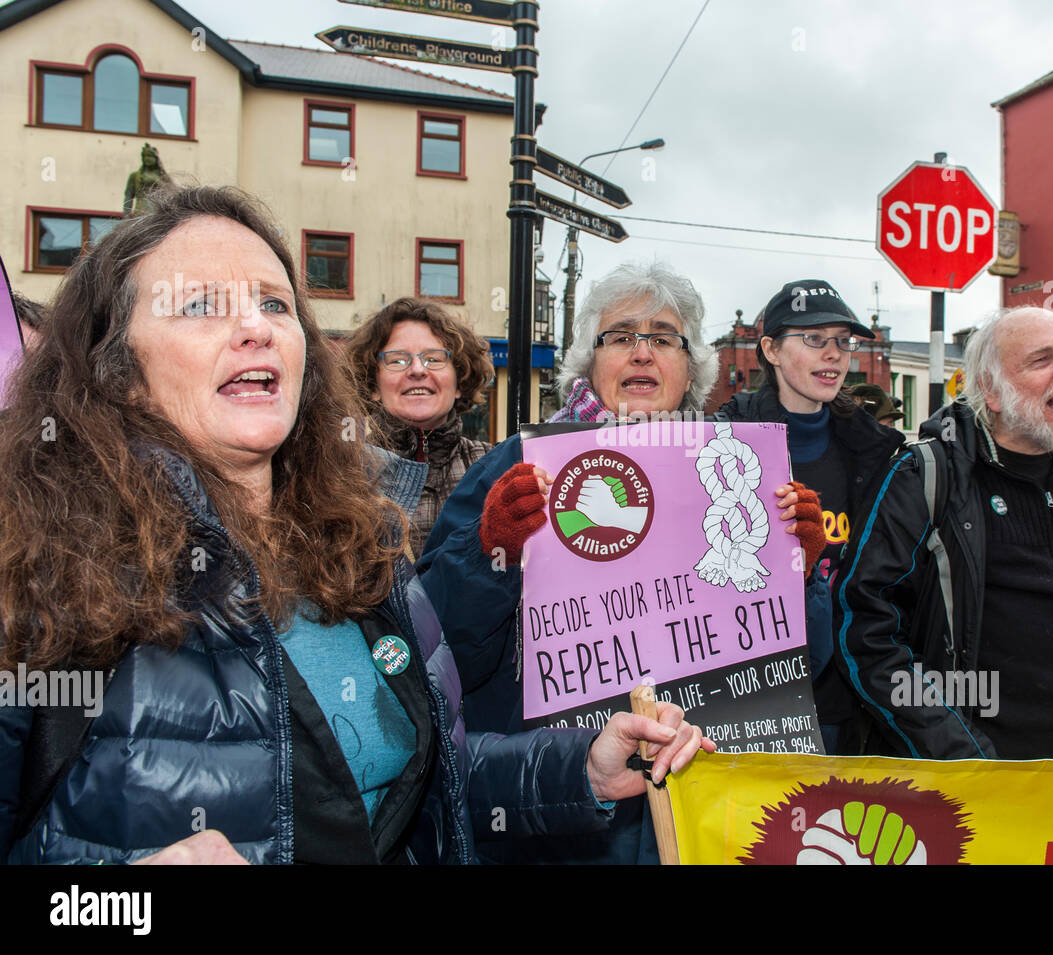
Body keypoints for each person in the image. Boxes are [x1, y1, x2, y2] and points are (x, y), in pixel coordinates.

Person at [0, 186, 710, 865]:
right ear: (119, 369)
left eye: (275, 303)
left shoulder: (362, 549)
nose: (254, 326)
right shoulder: (34, 571)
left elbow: (439, 779)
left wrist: (580, 767)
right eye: (199, 306)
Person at [417, 261, 827, 862]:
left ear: (691, 367)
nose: (641, 353)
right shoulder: (518, 467)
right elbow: (438, 649)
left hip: (700, 812)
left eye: (663, 338)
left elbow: (806, 665)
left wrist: (802, 573)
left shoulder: (739, 473)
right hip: (560, 823)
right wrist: (489, 554)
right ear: (589, 359)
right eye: (619, 336)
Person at [835, 306, 1053, 760]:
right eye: (1042, 360)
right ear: (991, 391)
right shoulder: (926, 477)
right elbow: (866, 631)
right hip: (987, 782)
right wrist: (958, 752)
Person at [716, 280, 904, 753]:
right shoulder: (721, 447)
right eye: (814, 339)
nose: (835, 355)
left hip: (849, 705)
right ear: (771, 350)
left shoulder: (876, 453)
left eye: (843, 341)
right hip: (749, 706)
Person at [344, 298, 493, 549]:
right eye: (397, 360)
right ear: (373, 386)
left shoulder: (492, 469)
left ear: (460, 382)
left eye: (434, 359)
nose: (417, 370)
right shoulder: (342, 475)